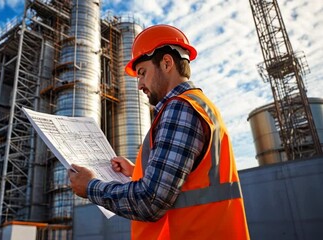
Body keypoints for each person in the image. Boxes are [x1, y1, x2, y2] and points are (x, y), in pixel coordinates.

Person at [68, 24, 250, 240]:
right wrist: (137, 171)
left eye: (142, 73)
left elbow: (150, 201)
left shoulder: (180, 108)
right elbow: (190, 179)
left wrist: (90, 186)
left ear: (166, 63)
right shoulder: (200, 104)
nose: (139, 85)